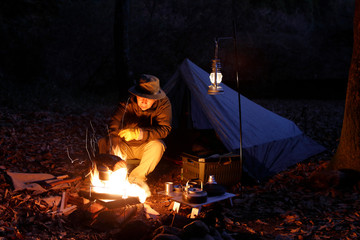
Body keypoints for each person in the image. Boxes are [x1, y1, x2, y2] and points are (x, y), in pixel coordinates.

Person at [98, 74, 172, 184]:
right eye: (141, 97)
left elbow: (165, 129)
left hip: (145, 147)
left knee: (158, 146)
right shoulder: (127, 101)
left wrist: (140, 134)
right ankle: (108, 175)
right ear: (136, 94)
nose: (143, 102)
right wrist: (114, 149)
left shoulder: (163, 104)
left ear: (155, 99)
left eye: (148, 99)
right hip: (125, 146)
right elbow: (114, 123)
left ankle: (135, 179)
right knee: (103, 142)